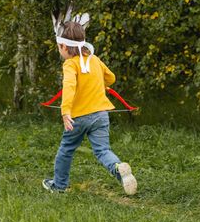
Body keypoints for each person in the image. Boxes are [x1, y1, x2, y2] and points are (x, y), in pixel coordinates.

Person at [42, 21, 137, 195]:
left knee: (66, 149)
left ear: (64, 46)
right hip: (101, 115)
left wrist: (65, 112)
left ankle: (59, 186)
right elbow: (111, 78)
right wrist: (99, 84)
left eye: (58, 47)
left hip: (78, 117)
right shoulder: (94, 59)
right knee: (103, 150)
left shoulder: (70, 64)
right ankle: (118, 169)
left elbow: (69, 87)